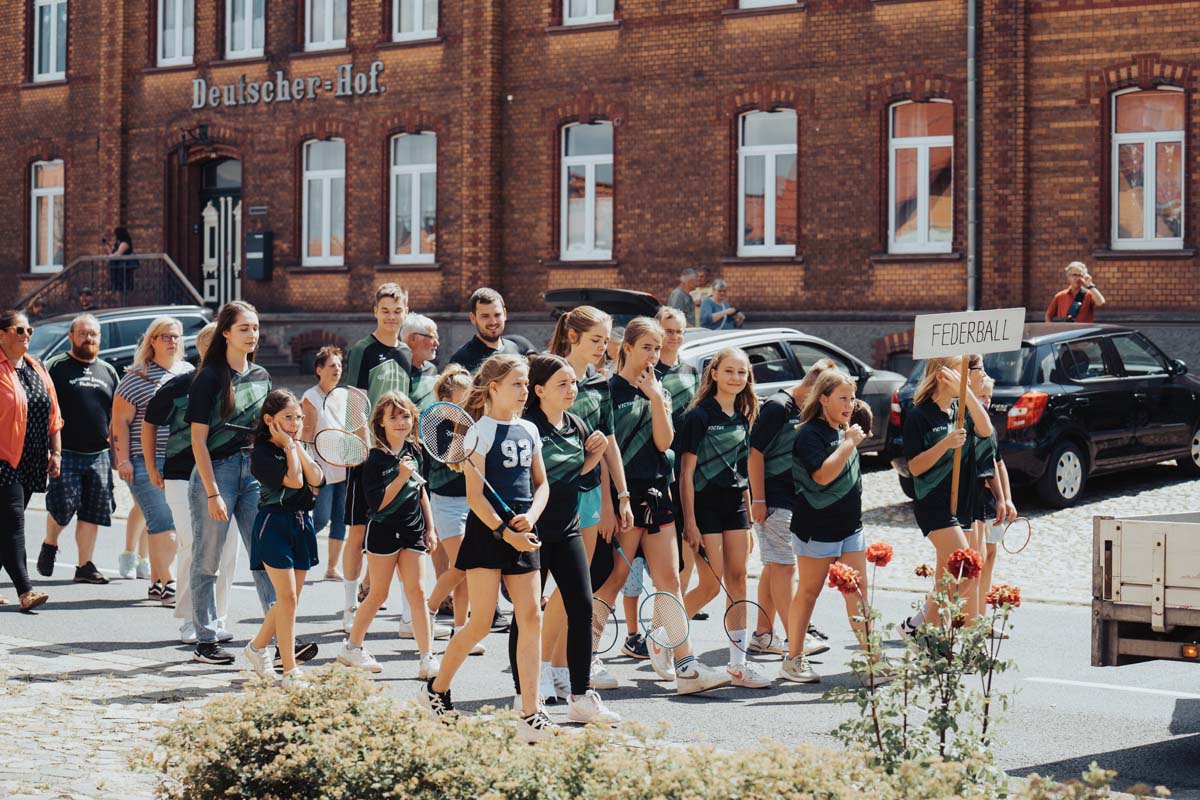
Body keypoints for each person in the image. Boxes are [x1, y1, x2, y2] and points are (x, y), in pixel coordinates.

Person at [419, 355, 559, 742]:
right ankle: (436, 688)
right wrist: (503, 531)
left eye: (526, 383)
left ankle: (531, 712)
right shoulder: (477, 432)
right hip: (488, 534)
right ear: (494, 387)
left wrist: (531, 515)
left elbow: (541, 484)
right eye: (516, 383)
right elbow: (475, 497)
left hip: (522, 529)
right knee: (479, 622)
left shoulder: (529, 429)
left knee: (531, 616)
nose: (524, 390)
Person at [590, 317, 730, 696]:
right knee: (615, 579)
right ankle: (584, 656)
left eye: (657, 347)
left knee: (670, 581)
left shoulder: (659, 389)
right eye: (646, 347)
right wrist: (608, 503)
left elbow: (665, 441)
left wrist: (655, 397)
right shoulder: (606, 391)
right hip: (624, 495)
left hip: (656, 490)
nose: (653, 353)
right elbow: (604, 455)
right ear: (628, 349)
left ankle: (686, 666)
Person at [522, 354, 620, 724]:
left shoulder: (577, 424)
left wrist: (595, 454)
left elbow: (576, 476)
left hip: (568, 529)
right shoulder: (527, 427)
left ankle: (580, 695)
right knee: (528, 613)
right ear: (540, 390)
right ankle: (526, 695)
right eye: (562, 384)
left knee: (581, 608)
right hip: (532, 532)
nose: (571, 389)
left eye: (573, 383)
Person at [546, 305, 633, 693]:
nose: (603, 347)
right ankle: (542, 668)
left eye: (605, 340)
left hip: (592, 495)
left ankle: (563, 669)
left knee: (576, 590)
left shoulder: (600, 383)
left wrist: (622, 495)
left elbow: (609, 442)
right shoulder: (549, 376)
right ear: (573, 338)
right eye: (596, 340)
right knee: (554, 590)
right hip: (554, 494)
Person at [187, 301, 280, 665]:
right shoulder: (209, 377)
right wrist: (212, 491)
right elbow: (197, 440)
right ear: (225, 332)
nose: (252, 335)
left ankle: (279, 633)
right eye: (244, 328)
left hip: (254, 472)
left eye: (255, 328)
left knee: (266, 556)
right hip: (217, 470)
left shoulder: (261, 376)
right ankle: (205, 640)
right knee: (207, 558)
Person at [678, 347, 771, 688]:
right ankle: (662, 634)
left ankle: (737, 664)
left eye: (742, 373)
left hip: (735, 505)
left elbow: (742, 468)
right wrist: (689, 521)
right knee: (709, 585)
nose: (735, 378)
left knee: (738, 579)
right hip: (704, 505)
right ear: (714, 373)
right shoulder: (698, 416)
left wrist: (747, 516)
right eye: (729, 371)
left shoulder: (745, 415)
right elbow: (685, 473)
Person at [144, 323, 240, 644]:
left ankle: (217, 616)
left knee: (227, 550)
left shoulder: (241, 383)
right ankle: (190, 619)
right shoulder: (179, 386)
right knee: (192, 544)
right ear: (202, 349)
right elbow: (150, 422)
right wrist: (150, 464)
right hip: (182, 475)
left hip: (227, 477)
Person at [779, 370, 876, 684]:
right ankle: (793, 659)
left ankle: (872, 659)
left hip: (850, 527)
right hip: (816, 528)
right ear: (823, 399)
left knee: (858, 594)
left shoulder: (843, 430)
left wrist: (848, 439)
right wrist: (849, 443)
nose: (849, 404)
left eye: (852, 398)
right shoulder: (809, 434)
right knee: (808, 593)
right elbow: (822, 475)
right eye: (842, 398)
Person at [337, 392, 439, 680]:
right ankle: (352, 647)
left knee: (418, 591)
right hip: (382, 531)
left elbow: (421, 492)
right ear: (380, 423)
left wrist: (430, 528)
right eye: (393, 417)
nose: (400, 421)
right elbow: (377, 503)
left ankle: (427, 657)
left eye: (405, 415)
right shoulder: (374, 460)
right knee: (378, 592)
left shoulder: (416, 452)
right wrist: (400, 477)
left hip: (413, 529)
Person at [341, 283, 421, 637]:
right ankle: (348, 606)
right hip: (369, 456)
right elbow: (355, 403)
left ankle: (407, 615)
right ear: (375, 311)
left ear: (405, 312)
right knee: (358, 530)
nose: (392, 316)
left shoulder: (405, 351)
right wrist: (361, 450)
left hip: (400, 454)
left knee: (402, 529)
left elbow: (407, 407)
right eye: (386, 310)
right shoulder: (362, 349)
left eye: (398, 310)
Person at [746, 358, 839, 657]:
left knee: (774, 566)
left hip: (795, 496)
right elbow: (754, 452)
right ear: (814, 387)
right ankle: (794, 638)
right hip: (774, 498)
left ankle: (763, 634)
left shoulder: (806, 410)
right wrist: (757, 500)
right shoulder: (778, 406)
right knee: (785, 568)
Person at [900, 355, 994, 637]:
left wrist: (966, 394)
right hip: (933, 502)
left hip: (961, 502)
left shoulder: (959, 409)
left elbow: (986, 429)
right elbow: (914, 467)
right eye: (961, 372)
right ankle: (928, 632)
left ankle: (922, 631)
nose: (968, 376)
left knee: (946, 581)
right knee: (967, 569)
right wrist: (945, 445)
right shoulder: (919, 414)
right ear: (942, 375)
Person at [243, 390, 325, 687]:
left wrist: (295, 446)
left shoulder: (298, 445)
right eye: (288, 417)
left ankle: (255, 648)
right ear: (270, 420)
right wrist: (290, 448)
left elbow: (316, 478)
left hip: (302, 525)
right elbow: (295, 481)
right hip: (273, 525)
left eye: (299, 418)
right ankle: (290, 671)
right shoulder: (261, 453)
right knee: (287, 598)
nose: (295, 423)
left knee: (290, 601)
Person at [112, 317, 193, 603]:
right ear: (152, 341)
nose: (172, 341)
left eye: (176, 336)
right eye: (166, 336)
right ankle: (169, 581)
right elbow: (120, 422)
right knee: (163, 521)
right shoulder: (135, 376)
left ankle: (158, 582)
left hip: (181, 460)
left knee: (175, 522)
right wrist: (123, 461)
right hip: (145, 459)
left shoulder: (188, 372)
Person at [38, 314, 119, 585]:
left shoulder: (108, 371)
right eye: (83, 333)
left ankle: (84, 565)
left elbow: (114, 417)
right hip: (66, 452)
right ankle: (50, 543)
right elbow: (42, 409)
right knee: (62, 507)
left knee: (93, 511)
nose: (89, 338)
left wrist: (117, 454)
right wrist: (48, 450)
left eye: (93, 334)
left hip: (99, 454)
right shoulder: (55, 366)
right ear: (71, 336)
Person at [423, 365, 488, 655]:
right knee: (461, 564)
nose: (465, 406)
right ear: (446, 398)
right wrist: (464, 431)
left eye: (469, 400)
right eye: (460, 400)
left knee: (467, 568)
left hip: (473, 500)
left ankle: (460, 631)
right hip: (446, 500)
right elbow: (452, 461)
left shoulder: (477, 421)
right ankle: (426, 610)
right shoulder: (435, 425)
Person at [0, 310, 62, 610]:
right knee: (13, 522)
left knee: (5, 525)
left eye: (30, 331)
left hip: (32, 458)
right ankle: (26, 591)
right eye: (19, 330)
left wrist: (57, 452)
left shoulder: (36, 367)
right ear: (2, 335)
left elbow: (53, 415)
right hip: (3, 458)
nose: (26, 335)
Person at [653, 306, 700, 620]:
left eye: (680, 330)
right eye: (669, 330)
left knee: (689, 543)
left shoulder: (691, 370)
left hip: (689, 463)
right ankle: (662, 613)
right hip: (660, 465)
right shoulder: (650, 372)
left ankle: (676, 607)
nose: (675, 337)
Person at [300, 346, 349, 580]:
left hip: (345, 468)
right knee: (320, 519)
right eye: (331, 366)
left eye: (339, 365)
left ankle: (331, 568)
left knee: (340, 520)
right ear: (319, 370)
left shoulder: (343, 395)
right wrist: (309, 473)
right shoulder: (310, 397)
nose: (337, 370)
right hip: (322, 470)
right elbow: (305, 437)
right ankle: (296, 553)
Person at [974, 376, 1018, 632]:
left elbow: (998, 463)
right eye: (981, 396)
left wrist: (1007, 498)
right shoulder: (974, 427)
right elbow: (984, 468)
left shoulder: (989, 427)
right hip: (975, 502)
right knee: (974, 560)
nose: (986, 400)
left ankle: (981, 617)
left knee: (990, 555)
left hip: (992, 503)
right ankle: (965, 616)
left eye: (989, 396)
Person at [448, 288, 522, 374]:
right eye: (485, 316)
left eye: (497, 315)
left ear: (505, 314)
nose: (493, 322)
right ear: (473, 318)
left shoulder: (514, 348)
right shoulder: (461, 360)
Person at [402, 314, 441, 412]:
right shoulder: (396, 370)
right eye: (432, 337)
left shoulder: (432, 369)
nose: (437, 343)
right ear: (412, 339)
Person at [106, 227, 136, 293]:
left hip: (123, 269)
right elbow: (112, 253)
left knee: (123, 288)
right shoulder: (118, 243)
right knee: (118, 288)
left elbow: (118, 254)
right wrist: (107, 246)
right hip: (117, 268)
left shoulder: (125, 243)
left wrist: (110, 256)